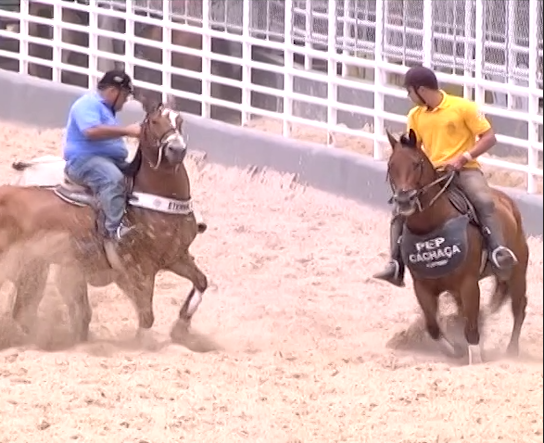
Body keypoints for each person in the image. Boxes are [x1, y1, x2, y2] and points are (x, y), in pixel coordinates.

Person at [373, 65, 518, 287]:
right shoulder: (415, 116)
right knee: (399, 210)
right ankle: (396, 263)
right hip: (433, 174)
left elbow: (489, 137)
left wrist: (462, 157)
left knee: (484, 201)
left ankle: (497, 250)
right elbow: (414, 149)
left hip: (465, 169)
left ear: (421, 89)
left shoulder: (462, 107)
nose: (409, 96)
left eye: (409, 91)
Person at [63, 69, 141, 245]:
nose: (124, 102)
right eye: (125, 96)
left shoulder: (105, 109)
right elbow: (90, 131)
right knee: (113, 179)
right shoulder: (87, 104)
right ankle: (114, 231)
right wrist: (128, 131)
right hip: (84, 160)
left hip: (106, 159)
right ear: (113, 91)